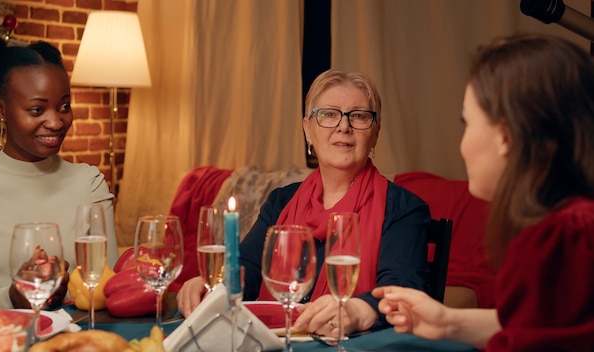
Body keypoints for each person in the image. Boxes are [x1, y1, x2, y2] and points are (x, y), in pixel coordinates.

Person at [372, 33, 594, 350]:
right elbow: (537, 326)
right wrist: (448, 321)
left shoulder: (554, 241)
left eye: (467, 123)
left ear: (504, 135)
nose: (462, 145)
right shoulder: (575, 223)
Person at [178, 69, 432, 336]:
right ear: (308, 130)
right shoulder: (281, 201)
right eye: (329, 115)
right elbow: (249, 269)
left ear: (375, 133)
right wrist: (214, 286)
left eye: (358, 116)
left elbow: (404, 291)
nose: (343, 126)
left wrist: (360, 310)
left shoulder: (403, 209)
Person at [0, 36, 119, 309]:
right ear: (0, 109)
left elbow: (110, 288)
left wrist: (69, 295)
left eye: (64, 106)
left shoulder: (89, 184)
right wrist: (11, 298)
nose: (55, 121)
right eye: (37, 110)